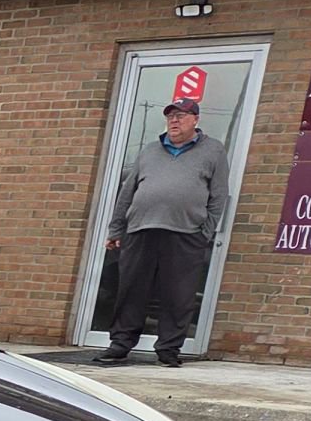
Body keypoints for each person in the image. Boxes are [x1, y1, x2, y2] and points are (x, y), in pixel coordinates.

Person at [94, 97, 230, 367]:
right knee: (132, 290)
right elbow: (127, 191)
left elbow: (219, 195)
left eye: (181, 116)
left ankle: (168, 350)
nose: (174, 121)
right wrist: (117, 227)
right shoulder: (150, 150)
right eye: (171, 116)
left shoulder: (213, 151)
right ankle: (120, 345)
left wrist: (205, 231)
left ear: (195, 120)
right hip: (140, 230)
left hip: (185, 233)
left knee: (177, 295)